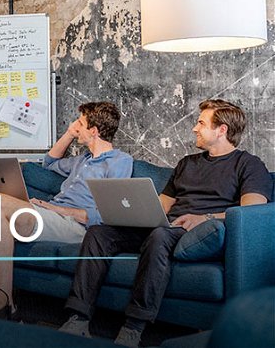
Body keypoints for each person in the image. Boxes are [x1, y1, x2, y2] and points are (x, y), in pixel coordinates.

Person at [59, 99, 272, 347]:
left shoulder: (248, 164)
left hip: (199, 231)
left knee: (159, 235)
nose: (194, 128)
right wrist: (134, 214)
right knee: (98, 233)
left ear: (221, 130)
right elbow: (162, 205)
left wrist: (205, 218)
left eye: (201, 123)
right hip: (166, 226)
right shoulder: (187, 163)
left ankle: (133, 328)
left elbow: (251, 211)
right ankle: (78, 319)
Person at [0, 102, 133, 319]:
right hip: (49, 215)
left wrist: (59, 209)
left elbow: (108, 214)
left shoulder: (120, 162)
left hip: (74, 226)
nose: (75, 126)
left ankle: (5, 300)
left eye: (80, 123)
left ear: (93, 131)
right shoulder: (82, 160)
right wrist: (69, 134)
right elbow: (49, 162)